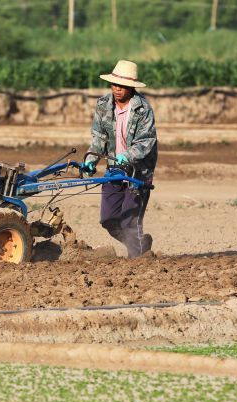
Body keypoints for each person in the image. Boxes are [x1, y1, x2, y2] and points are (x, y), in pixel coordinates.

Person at [82, 60, 157, 258]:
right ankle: (140, 245)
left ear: (131, 87)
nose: (117, 89)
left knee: (129, 222)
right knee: (108, 219)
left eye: (122, 86)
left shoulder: (143, 110)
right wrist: (92, 159)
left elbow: (146, 141)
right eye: (115, 84)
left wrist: (128, 155)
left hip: (138, 173)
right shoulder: (103, 105)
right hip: (114, 169)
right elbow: (99, 138)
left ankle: (138, 259)